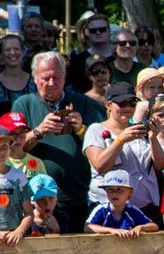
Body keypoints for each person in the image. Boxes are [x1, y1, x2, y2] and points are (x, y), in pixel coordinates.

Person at [12, 51, 107, 231]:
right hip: (39, 199)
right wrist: (39, 131)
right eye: (45, 78)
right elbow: (14, 149)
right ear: (34, 78)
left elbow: (102, 144)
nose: (51, 83)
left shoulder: (83, 102)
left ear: (64, 78)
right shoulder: (24, 104)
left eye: (56, 78)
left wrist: (80, 129)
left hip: (78, 194)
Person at [82, 82, 164, 218]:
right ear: (108, 105)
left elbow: (160, 165)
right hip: (108, 209)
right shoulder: (96, 129)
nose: (127, 108)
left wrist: (153, 138)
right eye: (122, 103)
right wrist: (120, 140)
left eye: (132, 103)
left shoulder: (139, 129)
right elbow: (99, 165)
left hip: (144, 208)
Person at [84, 169, 158, 237]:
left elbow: (154, 226)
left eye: (119, 190)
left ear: (130, 192)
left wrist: (141, 227)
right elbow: (88, 227)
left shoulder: (131, 210)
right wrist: (111, 231)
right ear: (106, 191)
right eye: (110, 190)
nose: (114, 194)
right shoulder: (102, 209)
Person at [0, 35, 35, 119]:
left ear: (23, 52)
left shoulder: (35, 81)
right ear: (1, 54)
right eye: (8, 50)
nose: (12, 53)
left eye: (16, 49)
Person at [65, 13, 113, 92]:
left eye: (102, 29)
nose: (98, 32)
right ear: (87, 33)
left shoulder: (119, 57)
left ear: (109, 31)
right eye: (93, 30)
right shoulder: (78, 60)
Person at [0, 111, 45, 179]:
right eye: (12, 133)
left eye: (22, 132)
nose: (18, 138)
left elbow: (46, 187)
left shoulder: (37, 162)